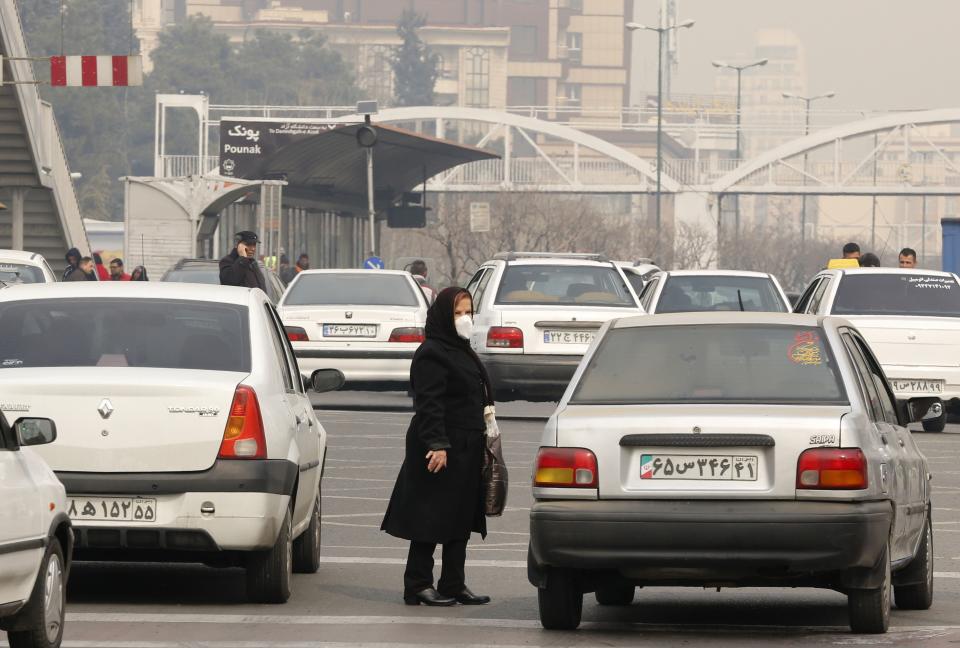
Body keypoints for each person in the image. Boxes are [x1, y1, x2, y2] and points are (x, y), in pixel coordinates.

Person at [381, 287, 492, 607]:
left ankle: (453, 583)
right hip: (439, 446)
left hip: (467, 446)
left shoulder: (462, 349)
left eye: (468, 312)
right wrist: (438, 445)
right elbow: (429, 404)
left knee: (460, 518)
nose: (465, 319)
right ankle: (417, 584)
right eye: (458, 313)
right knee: (430, 516)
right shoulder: (432, 352)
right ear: (444, 315)